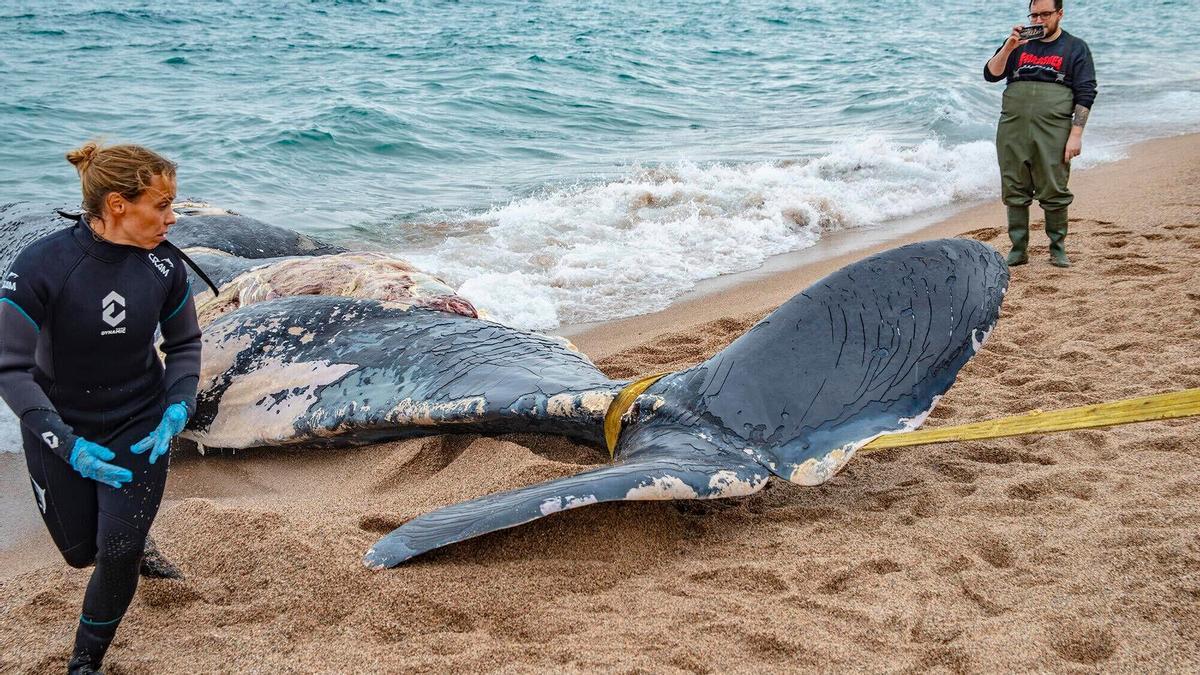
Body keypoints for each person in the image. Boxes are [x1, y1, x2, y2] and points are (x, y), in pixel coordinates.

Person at [0, 143, 202, 674]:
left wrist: (179, 405)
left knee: (117, 551)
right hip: (59, 423)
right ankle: (128, 539)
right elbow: (10, 369)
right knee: (81, 552)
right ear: (117, 204)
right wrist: (64, 443)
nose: (171, 217)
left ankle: (84, 663)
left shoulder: (164, 265)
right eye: (161, 205)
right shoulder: (43, 265)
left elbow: (183, 346)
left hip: (140, 422)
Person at [984, 0, 1097, 267]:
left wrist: (1076, 135)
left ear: (1060, 14)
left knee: (1054, 188)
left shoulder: (1075, 47)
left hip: (1054, 128)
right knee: (1014, 186)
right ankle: (1018, 248)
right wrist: (1009, 47)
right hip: (1013, 126)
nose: (1038, 20)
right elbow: (991, 74)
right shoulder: (1017, 43)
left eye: (1045, 14)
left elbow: (1086, 93)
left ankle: (1057, 248)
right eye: (1034, 15)